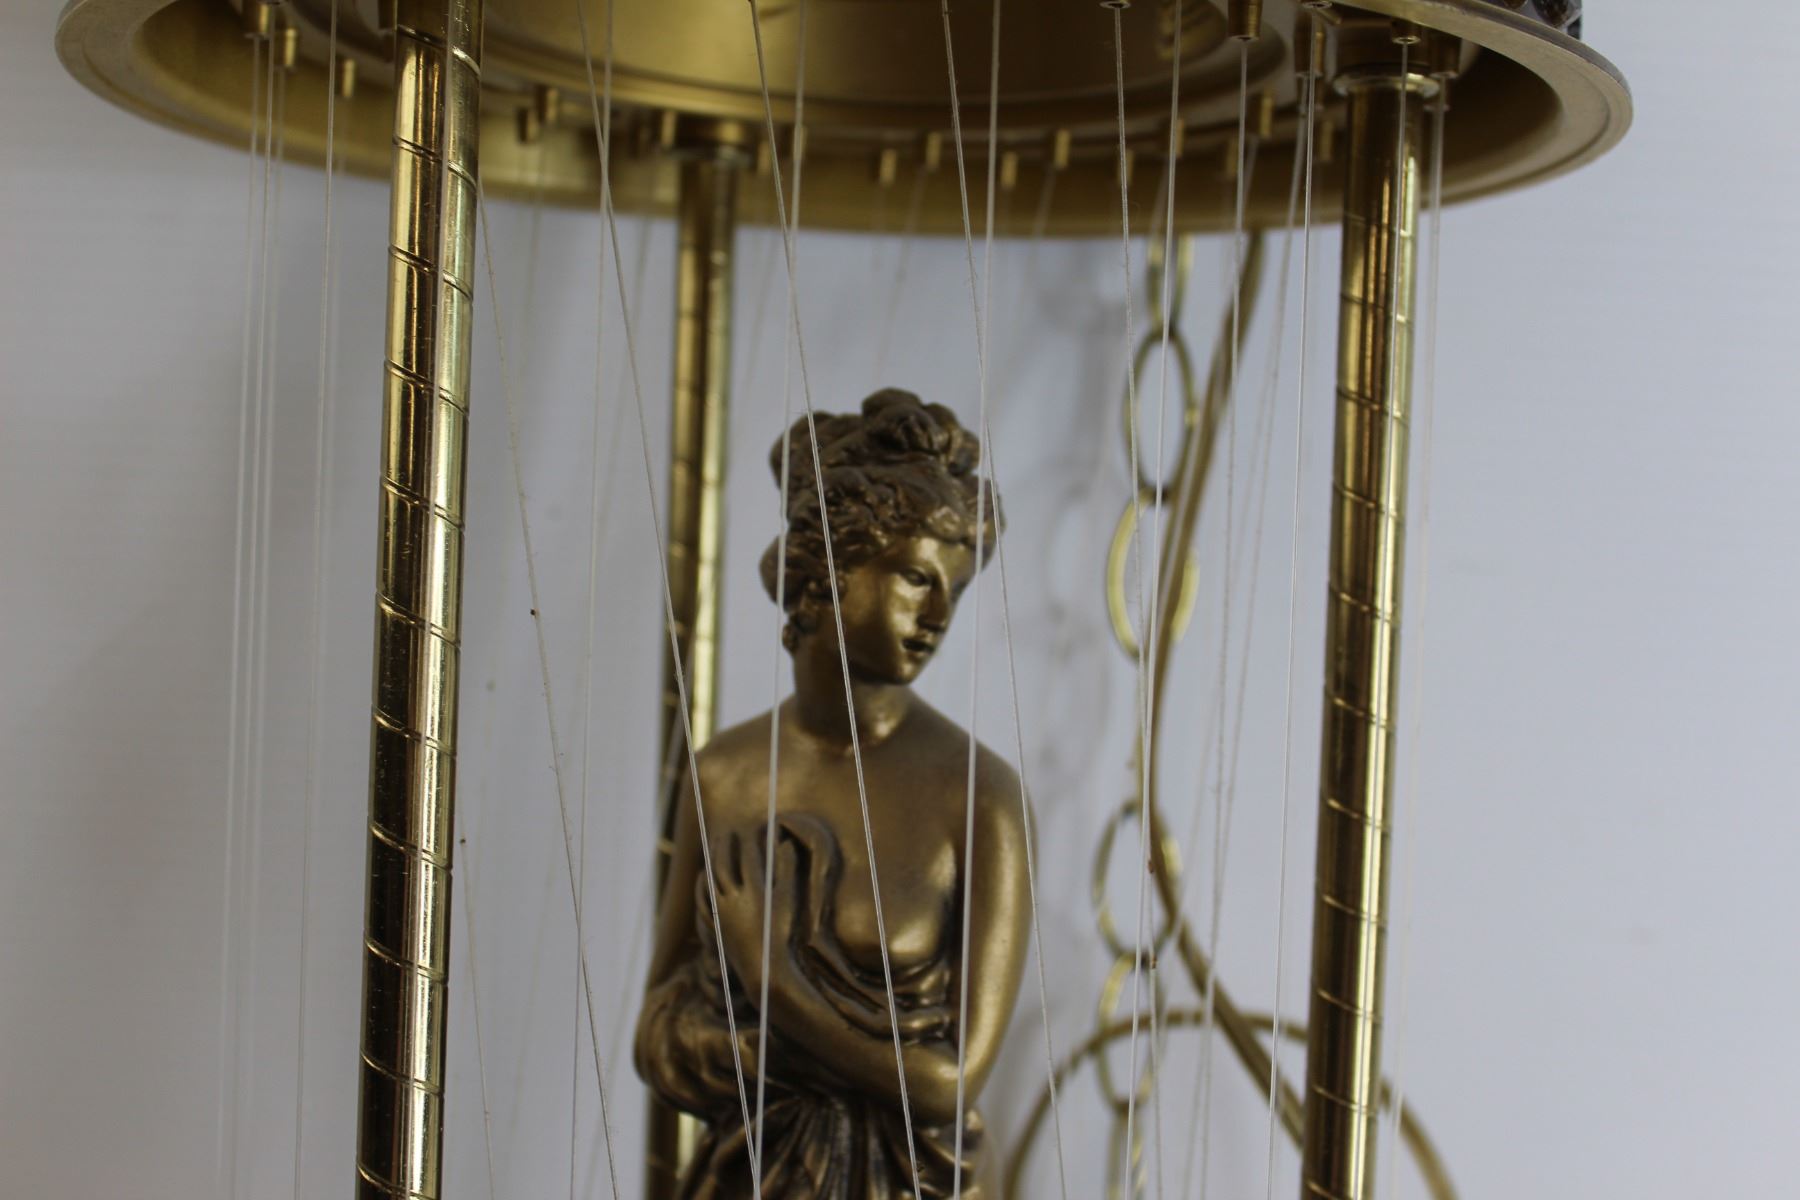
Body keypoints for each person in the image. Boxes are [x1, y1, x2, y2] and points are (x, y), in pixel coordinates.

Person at [636, 389, 1031, 1199]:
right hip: (748, 1174)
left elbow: (950, 1084)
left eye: (955, 589)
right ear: (831, 568)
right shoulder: (725, 776)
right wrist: (753, 1053)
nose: (939, 615)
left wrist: (775, 982)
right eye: (916, 578)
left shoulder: (980, 795)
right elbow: (657, 1031)